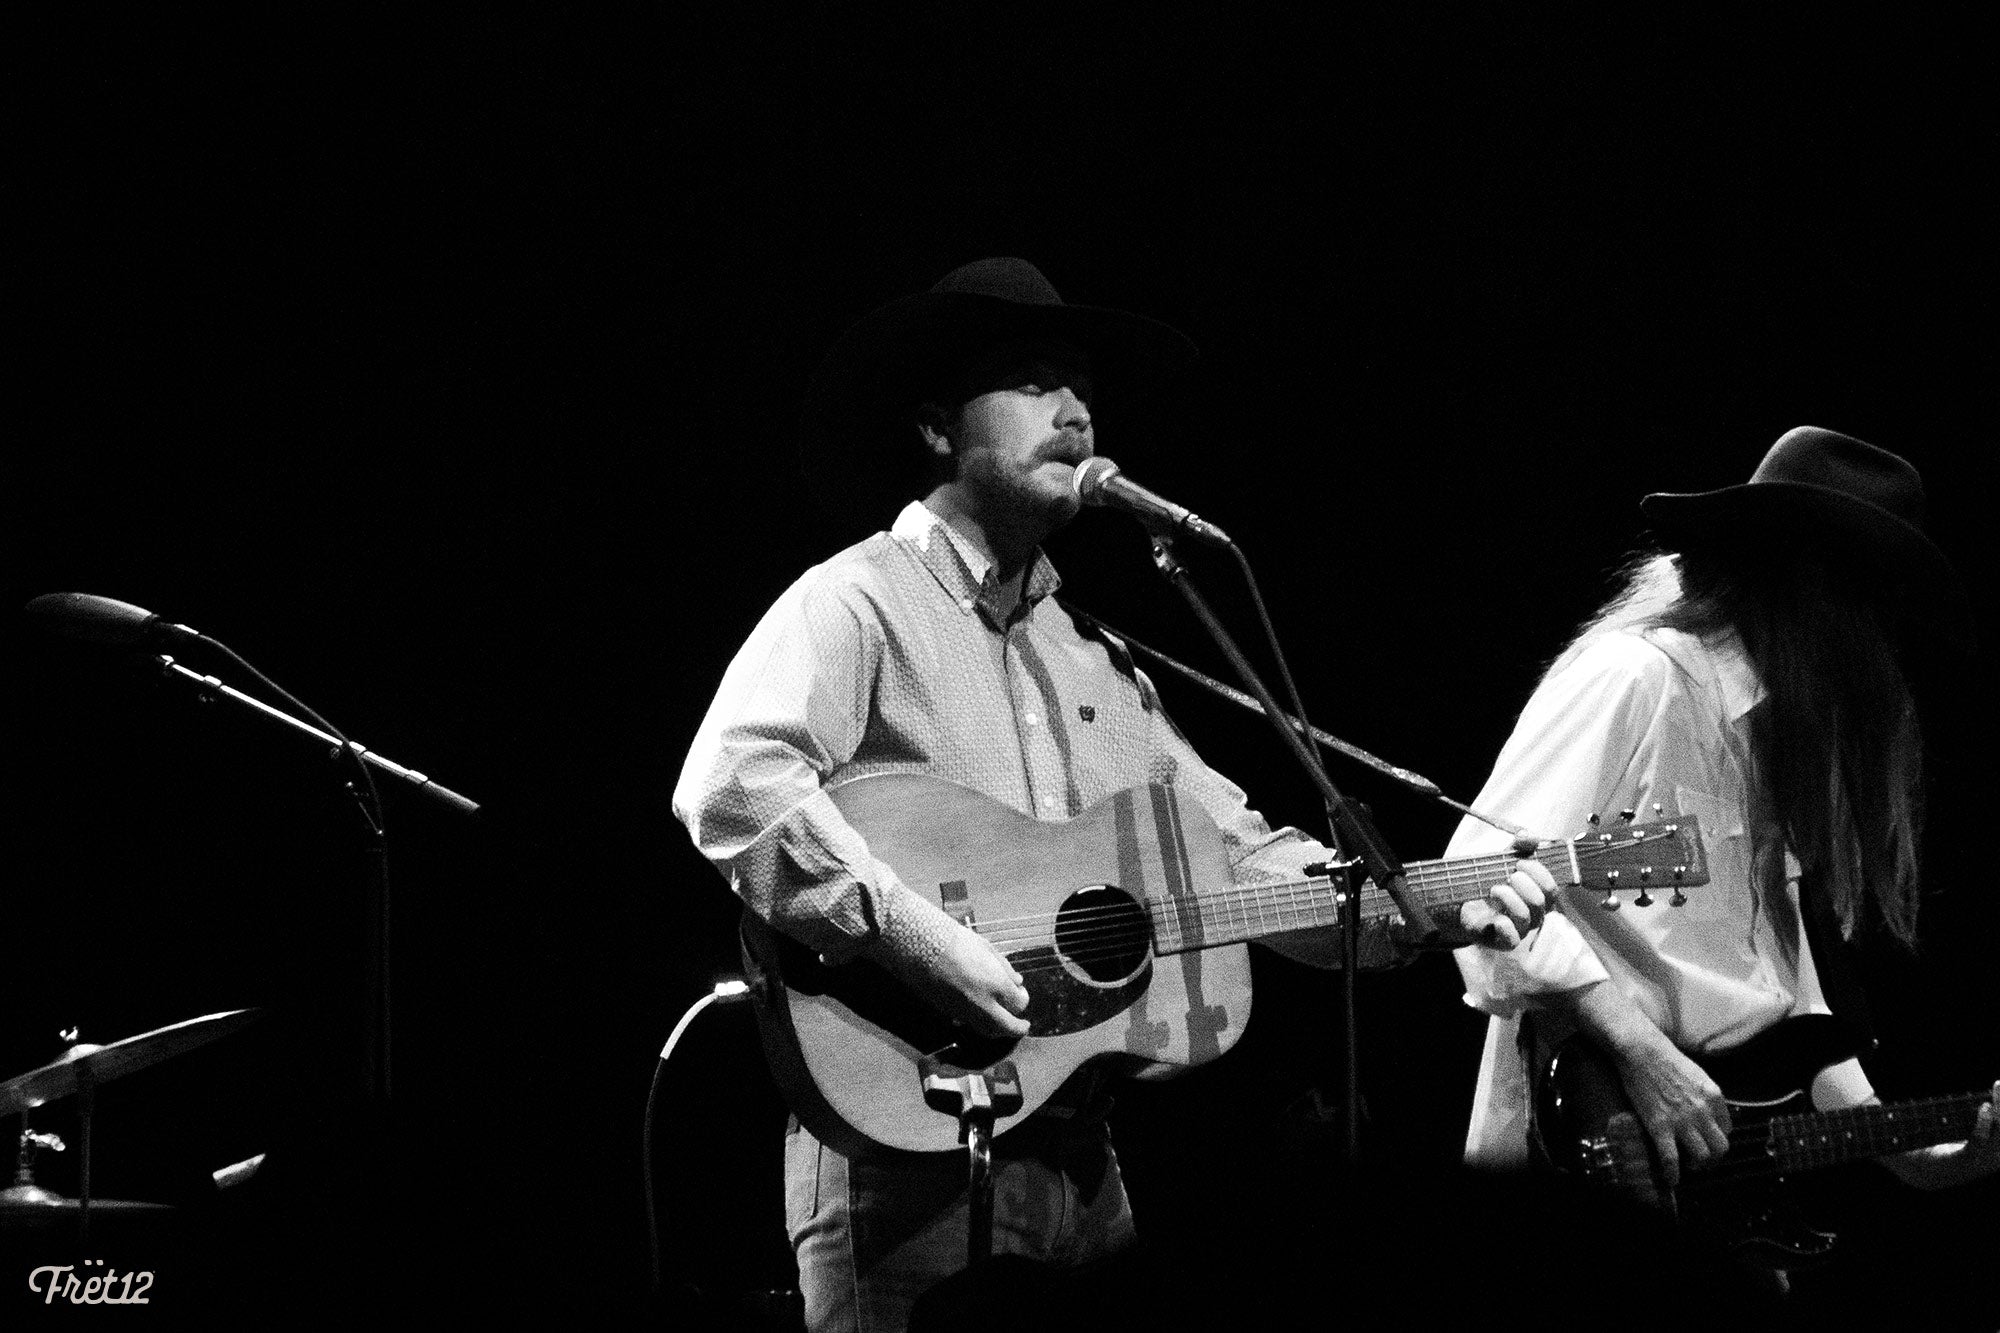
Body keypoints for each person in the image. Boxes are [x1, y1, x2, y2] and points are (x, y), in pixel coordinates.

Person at [673, 257, 1547, 1333]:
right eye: (1033, 380)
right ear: (939, 427)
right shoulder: (855, 601)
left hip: (1083, 1157)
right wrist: (919, 939)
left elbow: (1237, 854)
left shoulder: (1095, 658)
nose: (1075, 410)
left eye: (1082, 387)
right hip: (901, 1147)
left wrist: (1425, 901)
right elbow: (732, 781)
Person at [1447, 427, 1997, 1222]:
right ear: (1813, 584)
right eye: (1873, 603)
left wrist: (1936, 1160)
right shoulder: (1637, 675)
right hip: (1592, 1124)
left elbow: (1791, 1015)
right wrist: (1640, 1052)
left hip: (1715, 1178)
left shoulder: (1782, 736)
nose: (1885, 645)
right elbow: (1482, 875)